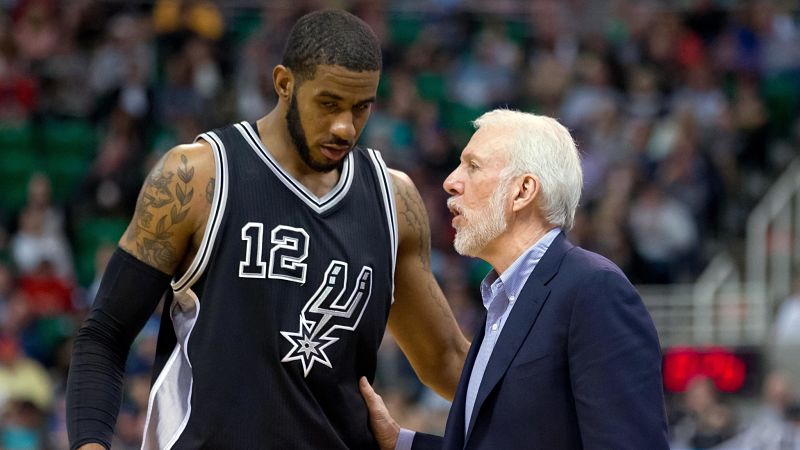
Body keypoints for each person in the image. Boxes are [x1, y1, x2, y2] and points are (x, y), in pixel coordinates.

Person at [66, 10, 469, 450]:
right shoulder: (199, 176)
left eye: (361, 108)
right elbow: (105, 335)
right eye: (329, 103)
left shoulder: (394, 199)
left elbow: (446, 359)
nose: (345, 127)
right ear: (284, 83)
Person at [359, 109, 669, 450]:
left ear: (522, 191)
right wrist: (400, 442)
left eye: (472, 166)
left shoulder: (594, 289)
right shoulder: (502, 299)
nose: (451, 181)